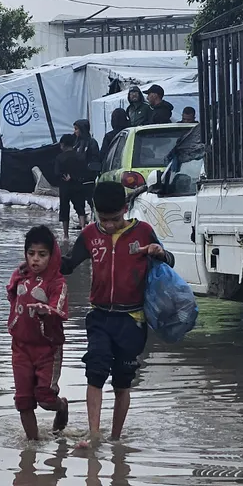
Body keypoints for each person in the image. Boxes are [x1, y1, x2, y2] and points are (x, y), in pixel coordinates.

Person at [59, 181, 175, 448]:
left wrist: (160, 254)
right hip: (100, 317)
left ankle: (115, 437)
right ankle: (94, 434)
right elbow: (68, 264)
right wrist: (42, 257)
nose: (108, 225)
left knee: (122, 383)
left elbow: (169, 263)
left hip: (132, 321)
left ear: (125, 209)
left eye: (114, 219)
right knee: (95, 372)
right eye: (103, 219)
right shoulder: (89, 235)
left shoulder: (144, 233)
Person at [8, 225, 70, 440]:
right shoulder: (19, 276)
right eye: (31, 254)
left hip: (47, 349)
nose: (35, 259)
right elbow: (12, 297)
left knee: (44, 398)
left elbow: (59, 309)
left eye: (42, 255)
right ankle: (32, 446)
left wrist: (46, 312)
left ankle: (61, 406)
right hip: (20, 347)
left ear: (51, 256)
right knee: (23, 400)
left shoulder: (57, 282)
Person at [54, 134, 93, 233]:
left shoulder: (59, 157)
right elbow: (85, 171)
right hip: (78, 185)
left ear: (62, 145)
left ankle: (66, 235)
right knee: (80, 208)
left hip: (65, 187)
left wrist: (65, 177)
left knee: (64, 210)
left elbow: (56, 173)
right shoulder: (80, 156)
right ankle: (83, 229)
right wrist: (74, 177)